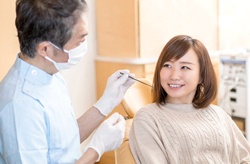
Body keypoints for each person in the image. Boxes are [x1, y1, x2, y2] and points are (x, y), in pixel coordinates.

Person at [0, 0, 135, 163]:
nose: (83, 45)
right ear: (46, 49)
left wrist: (106, 102)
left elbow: (61, 143)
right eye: (80, 40)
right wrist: (96, 150)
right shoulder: (20, 107)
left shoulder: (50, 73)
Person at [129, 35, 250, 163]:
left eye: (185, 67)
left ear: (202, 75)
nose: (174, 75)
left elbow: (245, 158)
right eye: (167, 65)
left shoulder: (218, 114)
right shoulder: (147, 118)